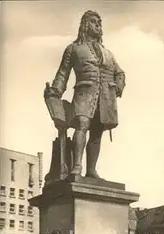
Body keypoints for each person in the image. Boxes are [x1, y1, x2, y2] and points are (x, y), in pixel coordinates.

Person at [44, 10, 125, 178]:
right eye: (94, 22)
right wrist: (55, 92)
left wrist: (118, 86)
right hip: (84, 94)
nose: (98, 26)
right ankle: (77, 166)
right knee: (82, 124)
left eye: (99, 23)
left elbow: (120, 73)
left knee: (97, 132)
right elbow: (62, 74)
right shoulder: (73, 49)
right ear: (85, 25)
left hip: (105, 99)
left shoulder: (107, 53)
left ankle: (91, 169)